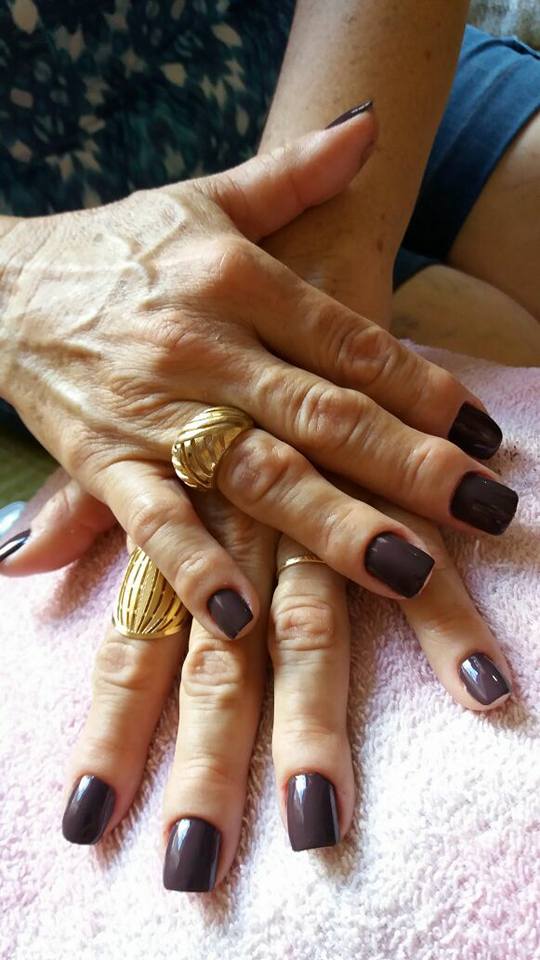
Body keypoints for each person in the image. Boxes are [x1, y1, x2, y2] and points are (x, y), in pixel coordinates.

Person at [0, 0, 538, 892]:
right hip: (73, 301)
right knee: (492, 337)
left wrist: (316, 292)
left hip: (333, 72)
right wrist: (21, 286)